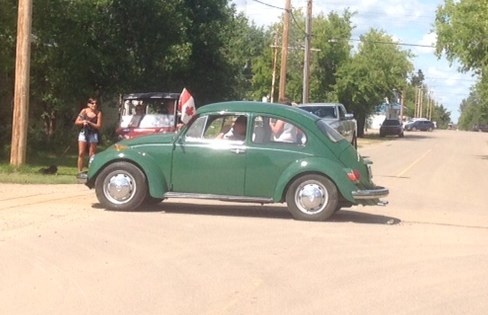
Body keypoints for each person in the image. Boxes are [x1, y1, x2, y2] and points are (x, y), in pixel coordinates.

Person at [75, 98, 103, 175]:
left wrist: (90, 123)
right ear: (88, 104)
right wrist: (83, 121)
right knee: (81, 153)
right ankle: (79, 171)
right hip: (84, 133)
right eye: (92, 103)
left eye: (96, 103)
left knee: (92, 154)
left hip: (93, 134)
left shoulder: (98, 113)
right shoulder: (84, 111)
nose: (94, 105)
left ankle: (91, 172)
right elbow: (77, 121)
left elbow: (98, 126)